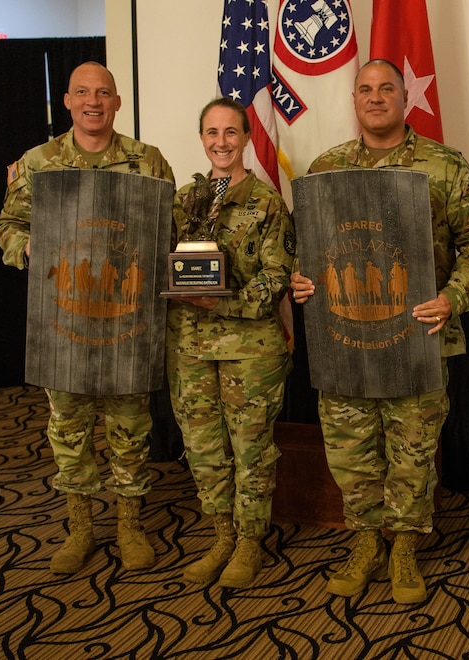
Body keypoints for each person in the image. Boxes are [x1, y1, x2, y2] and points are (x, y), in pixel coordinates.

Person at [290, 59, 469, 605]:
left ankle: (404, 546)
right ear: (354, 99)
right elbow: (306, 247)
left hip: (417, 338)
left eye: (387, 88)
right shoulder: (326, 168)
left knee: (411, 452)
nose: (375, 97)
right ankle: (364, 542)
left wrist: (455, 297)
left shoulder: (443, 165)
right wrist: (301, 279)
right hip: (343, 337)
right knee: (351, 451)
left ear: (405, 97)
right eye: (365, 89)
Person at [0, 62, 174, 575]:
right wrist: (25, 246)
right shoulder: (39, 162)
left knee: (130, 428)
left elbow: (170, 232)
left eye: (104, 93)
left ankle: (129, 524)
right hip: (64, 324)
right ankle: (79, 527)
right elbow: (8, 223)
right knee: (68, 429)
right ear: (68, 102)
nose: (93, 101)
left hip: (129, 323)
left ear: (118, 102)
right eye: (82, 93)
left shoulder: (149, 161)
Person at [166, 98, 295, 588]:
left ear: (245, 138)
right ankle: (221, 533)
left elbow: (276, 278)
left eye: (230, 133)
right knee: (202, 447)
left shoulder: (266, 203)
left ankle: (249, 542)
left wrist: (220, 303)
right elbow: (165, 261)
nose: (220, 142)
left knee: (251, 449)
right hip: (188, 346)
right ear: (202, 138)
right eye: (211, 132)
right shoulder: (182, 201)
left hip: (250, 349)